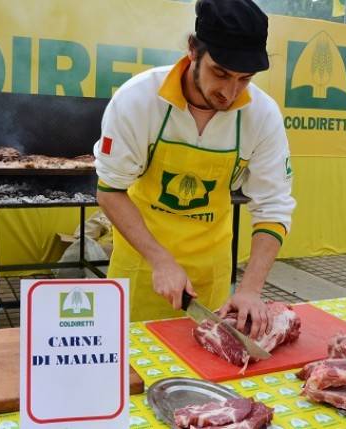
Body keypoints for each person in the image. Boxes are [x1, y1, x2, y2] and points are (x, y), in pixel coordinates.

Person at [93, 0, 295, 339]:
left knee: (205, 376)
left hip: (210, 277)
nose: (230, 93)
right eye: (220, 73)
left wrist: (250, 289)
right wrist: (160, 259)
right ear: (192, 50)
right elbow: (109, 190)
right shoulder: (139, 100)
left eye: (244, 79)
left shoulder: (262, 116)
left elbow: (273, 205)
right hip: (142, 268)